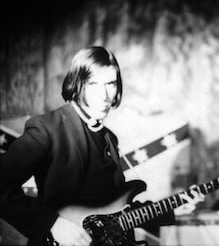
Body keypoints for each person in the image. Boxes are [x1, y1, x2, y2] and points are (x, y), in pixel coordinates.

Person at [0, 46, 204, 246]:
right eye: (93, 84)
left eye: (111, 84)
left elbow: (117, 214)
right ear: (78, 84)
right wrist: (52, 224)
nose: (104, 96)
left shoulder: (109, 138)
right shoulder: (47, 128)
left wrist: (171, 209)